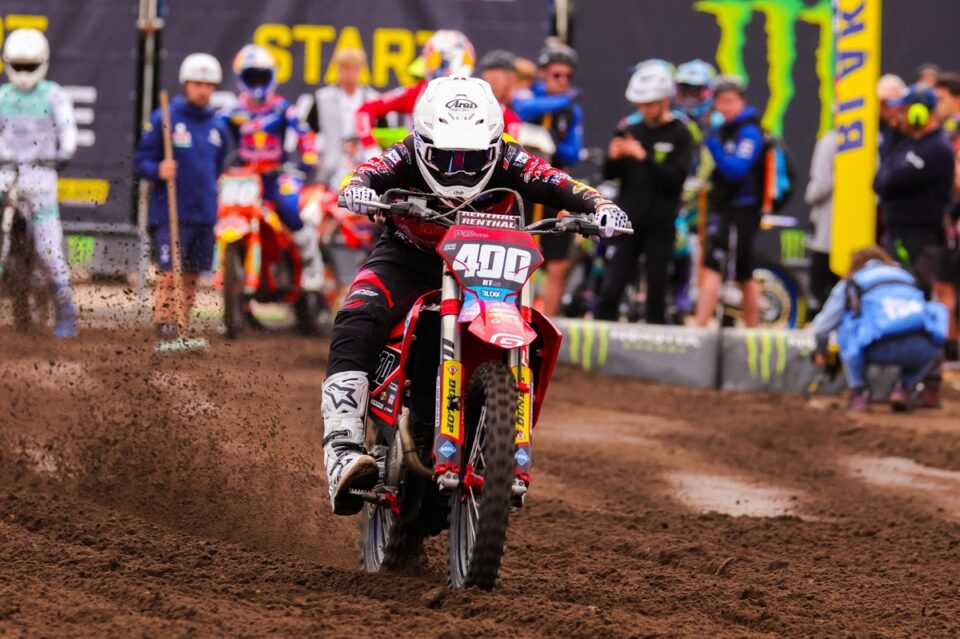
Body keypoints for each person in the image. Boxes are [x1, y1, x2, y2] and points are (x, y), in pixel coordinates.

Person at [324, 76, 630, 515]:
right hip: (408, 258)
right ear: (423, 142)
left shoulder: (510, 156)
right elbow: (364, 173)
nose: (458, 171)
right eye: (446, 157)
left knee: (531, 330)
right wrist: (358, 190)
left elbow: (559, 182)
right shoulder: (404, 152)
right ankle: (342, 449)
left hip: (485, 265)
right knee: (357, 313)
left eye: (472, 158)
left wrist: (601, 207)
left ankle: (498, 439)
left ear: (493, 145)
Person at [135, 54, 228, 337]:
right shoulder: (165, 118)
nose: (203, 90)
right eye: (198, 84)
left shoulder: (218, 126)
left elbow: (218, 165)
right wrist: (157, 169)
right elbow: (140, 161)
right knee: (169, 271)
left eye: (208, 85)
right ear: (186, 84)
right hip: (171, 212)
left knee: (192, 273)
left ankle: (182, 326)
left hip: (204, 213)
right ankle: (164, 323)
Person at [597, 60, 694, 324]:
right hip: (628, 222)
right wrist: (612, 158)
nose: (644, 110)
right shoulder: (632, 130)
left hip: (662, 224)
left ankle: (656, 340)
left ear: (664, 100)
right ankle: (601, 339)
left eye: (650, 104)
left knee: (657, 288)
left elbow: (675, 180)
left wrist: (644, 157)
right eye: (640, 104)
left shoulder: (681, 134)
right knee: (612, 285)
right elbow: (610, 175)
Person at [220, 44, 322, 291]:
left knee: (288, 207)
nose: (257, 83)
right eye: (251, 77)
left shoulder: (283, 108)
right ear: (241, 78)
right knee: (224, 209)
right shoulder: (233, 111)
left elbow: (306, 136)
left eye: (261, 76)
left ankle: (310, 261)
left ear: (272, 76)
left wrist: (308, 159)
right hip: (245, 178)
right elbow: (215, 137)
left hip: (277, 174)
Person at [0, 29, 78, 338]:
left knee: (49, 248)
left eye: (29, 66)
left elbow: (68, 128)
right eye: (17, 66)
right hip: (5, 176)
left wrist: (64, 153)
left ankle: (66, 310)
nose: (23, 73)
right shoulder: (3, 96)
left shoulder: (53, 94)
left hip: (41, 177)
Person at [812, 246, 946, 411]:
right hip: (920, 348)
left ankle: (859, 392)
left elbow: (823, 326)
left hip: (876, 346)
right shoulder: (906, 277)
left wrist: (821, 349)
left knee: (847, 326)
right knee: (935, 339)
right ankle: (904, 388)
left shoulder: (852, 281)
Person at [512, 42, 583, 316]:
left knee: (558, 262)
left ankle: (549, 322)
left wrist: (550, 142)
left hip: (556, 188)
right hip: (525, 187)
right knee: (518, 252)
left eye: (568, 76)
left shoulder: (572, 111)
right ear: (543, 73)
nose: (562, 81)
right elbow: (523, 109)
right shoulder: (529, 93)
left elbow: (572, 152)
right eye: (556, 75)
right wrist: (561, 101)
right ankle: (514, 314)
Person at [694, 75, 764, 328]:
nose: (726, 107)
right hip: (724, 209)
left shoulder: (749, 131)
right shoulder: (724, 130)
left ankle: (704, 327)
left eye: (731, 101)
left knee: (730, 270)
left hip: (742, 211)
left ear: (742, 101)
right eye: (721, 101)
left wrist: (713, 143)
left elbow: (736, 170)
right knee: (736, 270)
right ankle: (707, 325)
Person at [873, 84, 954, 298]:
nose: (897, 117)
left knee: (914, 297)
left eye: (903, 110)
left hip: (921, 243)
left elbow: (890, 183)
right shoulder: (909, 144)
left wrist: (889, 178)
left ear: (919, 113)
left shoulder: (937, 148)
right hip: (900, 238)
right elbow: (878, 181)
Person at [354, 30, 475, 153]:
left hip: (464, 160)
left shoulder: (478, 95)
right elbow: (365, 109)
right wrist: (370, 146)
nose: (447, 70)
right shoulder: (417, 92)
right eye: (436, 60)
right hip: (416, 161)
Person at [306, 47, 380, 187]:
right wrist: (316, 158)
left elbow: (384, 133)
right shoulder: (323, 98)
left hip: (365, 167)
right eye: (345, 68)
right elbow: (307, 132)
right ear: (337, 69)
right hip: (330, 168)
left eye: (353, 68)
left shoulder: (373, 99)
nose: (349, 73)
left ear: (360, 69)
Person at [805, 128, 839, 312]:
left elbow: (819, 187)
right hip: (857, 234)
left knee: (818, 289)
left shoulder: (830, 141)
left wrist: (809, 194)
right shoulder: (870, 138)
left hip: (828, 230)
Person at [478, 49, 522, 139]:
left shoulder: (521, 106)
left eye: (495, 81)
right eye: (486, 81)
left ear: (511, 79)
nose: (490, 87)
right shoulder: (481, 109)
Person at [878, 74, 907, 161]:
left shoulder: (906, 129)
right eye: (881, 102)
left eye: (890, 102)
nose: (885, 107)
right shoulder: (871, 125)